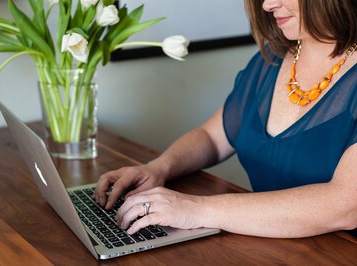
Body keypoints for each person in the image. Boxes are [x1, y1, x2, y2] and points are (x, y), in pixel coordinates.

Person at [95, 0, 357, 238]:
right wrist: (158, 168)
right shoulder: (272, 58)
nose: (267, 5)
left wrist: (194, 208)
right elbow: (212, 137)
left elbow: (344, 206)